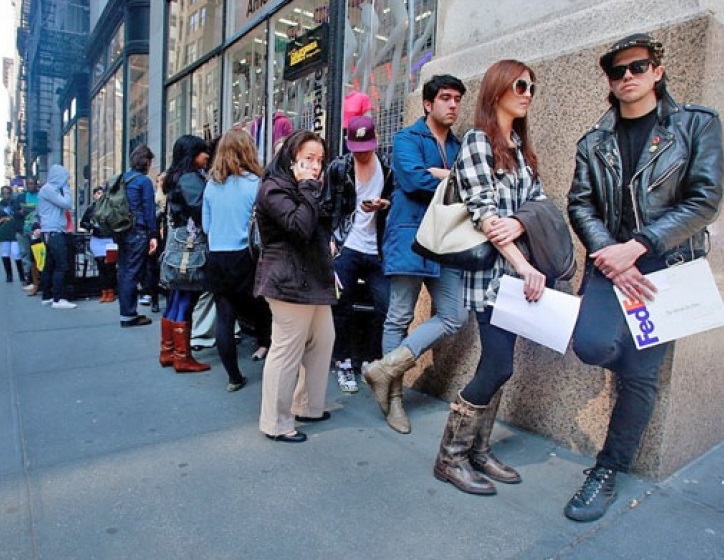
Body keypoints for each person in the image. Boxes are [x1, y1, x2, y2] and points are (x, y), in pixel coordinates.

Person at [565, 33, 723, 522]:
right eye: (618, 72)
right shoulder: (594, 142)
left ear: (657, 70)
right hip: (610, 264)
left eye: (637, 67)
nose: (627, 77)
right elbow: (580, 203)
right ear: (610, 83)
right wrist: (610, 252)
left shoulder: (696, 125)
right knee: (591, 344)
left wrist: (640, 246)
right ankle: (631, 347)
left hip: (666, 265)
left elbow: (705, 199)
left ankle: (607, 470)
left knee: (641, 376)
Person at [430, 60, 547, 495]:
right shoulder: (479, 141)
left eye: (532, 86)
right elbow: (485, 215)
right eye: (520, 84)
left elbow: (538, 206)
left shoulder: (518, 146)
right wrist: (525, 264)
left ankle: (476, 451)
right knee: (498, 365)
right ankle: (450, 457)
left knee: (498, 367)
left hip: (517, 280)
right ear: (497, 89)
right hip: (493, 277)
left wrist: (521, 229)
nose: (528, 92)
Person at [363, 74, 469, 434]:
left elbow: (470, 186)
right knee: (398, 317)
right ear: (428, 103)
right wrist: (450, 177)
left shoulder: (459, 146)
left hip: (448, 241)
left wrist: (444, 174)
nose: (453, 104)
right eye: (445, 98)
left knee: (454, 316)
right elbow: (412, 180)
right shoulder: (407, 137)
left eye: (457, 99)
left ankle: (384, 369)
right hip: (409, 237)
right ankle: (394, 400)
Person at [254, 130, 335, 443]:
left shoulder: (303, 187)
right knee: (286, 351)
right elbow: (300, 226)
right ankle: (275, 421)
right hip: (287, 281)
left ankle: (307, 405)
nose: (316, 166)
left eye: (319, 160)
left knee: (324, 338)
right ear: (291, 159)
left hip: (312, 278)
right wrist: (308, 187)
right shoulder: (274, 188)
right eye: (309, 159)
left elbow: (318, 223)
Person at [326, 116, 393, 393]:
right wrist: (329, 238)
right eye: (357, 148)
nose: (362, 153)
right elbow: (327, 205)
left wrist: (385, 204)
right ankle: (342, 362)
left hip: (376, 248)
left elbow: (397, 199)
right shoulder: (339, 168)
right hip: (347, 245)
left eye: (366, 147)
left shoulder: (387, 168)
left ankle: (370, 359)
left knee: (385, 306)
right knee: (340, 306)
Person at [203, 128, 270, 392]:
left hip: (217, 256)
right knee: (265, 305)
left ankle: (234, 376)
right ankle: (268, 350)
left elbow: (206, 227)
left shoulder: (211, 185)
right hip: (246, 256)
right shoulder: (256, 183)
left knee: (225, 317)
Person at [160, 135, 212, 373]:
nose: (207, 156)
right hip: (190, 245)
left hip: (177, 242)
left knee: (175, 296)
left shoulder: (174, 177)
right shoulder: (191, 178)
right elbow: (202, 209)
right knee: (186, 297)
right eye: (203, 152)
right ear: (192, 155)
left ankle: (168, 350)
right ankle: (182, 356)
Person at [117, 145, 157, 328]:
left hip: (122, 231)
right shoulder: (144, 181)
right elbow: (149, 210)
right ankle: (129, 314)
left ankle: (126, 311)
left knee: (125, 271)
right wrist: (153, 235)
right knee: (133, 273)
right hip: (138, 231)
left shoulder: (123, 178)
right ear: (146, 161)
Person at [37, 165, 76, 309]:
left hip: (50, 231)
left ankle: (47, 295)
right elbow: (67, 203)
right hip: (54, 232)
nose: (67, 181)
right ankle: (58, 299)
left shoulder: (47, 189)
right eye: (65, 178)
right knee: (61, 265)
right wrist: (66, 188)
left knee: (50, 265)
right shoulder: (49, 190)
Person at [80, 186, 117, 303]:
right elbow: (83, 223)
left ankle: (111, 291)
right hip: (97, 239)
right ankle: (104, 292)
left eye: (101, 193)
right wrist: (91, 227)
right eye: (97, 193)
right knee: (101, 266)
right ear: (94, 195)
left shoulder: (111, 208)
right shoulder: (91, 208)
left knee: (110, 266)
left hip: (110, 240)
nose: (99, 195)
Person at [15, 177, 39, 288]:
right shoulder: (21, 197)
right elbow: (14, 212)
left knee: (38, 254)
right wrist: (20, 212)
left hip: (36, 230)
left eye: (32, 184)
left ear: (36, 184)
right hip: (23, 229)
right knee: (25, 255)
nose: (30, 186)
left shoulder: (41, 196)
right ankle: (28, 278)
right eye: (28, 184)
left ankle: (38, 279)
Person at [0, 186, 24, 283]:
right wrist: (3, 219)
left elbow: (20, 214)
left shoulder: (15, 203)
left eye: (8, 193)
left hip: (15, 230)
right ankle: (9, 276)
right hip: (4, 231)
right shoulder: (0, 204)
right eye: (4, 193)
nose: (6, 195)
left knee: (16, 253)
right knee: (5, 253)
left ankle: (22, 276)